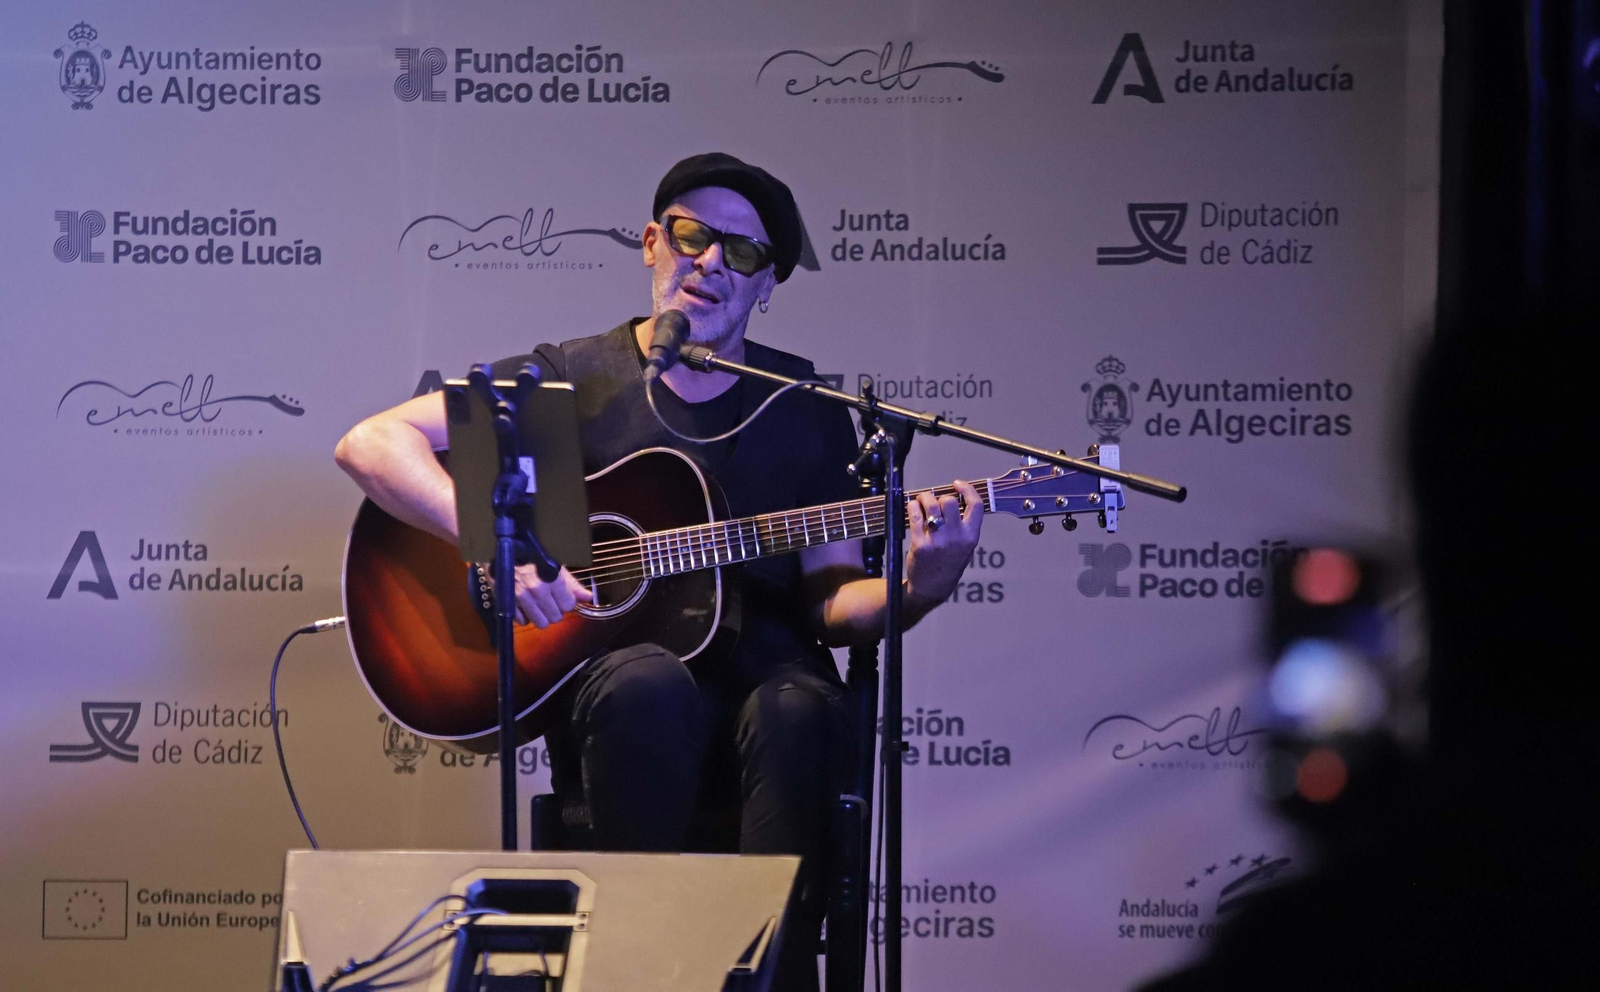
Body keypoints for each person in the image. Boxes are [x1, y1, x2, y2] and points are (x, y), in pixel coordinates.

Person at [334, 152, 984, 990]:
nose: (712, 262)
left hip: (769, 686)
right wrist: (500, 544)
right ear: (652, 241)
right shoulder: (575, 382)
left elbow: (832, 600)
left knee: (796, 707)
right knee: (647, 681)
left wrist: (916, 589)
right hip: (621, 699)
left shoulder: (804, 407)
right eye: (692, 236)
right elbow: (371, 444)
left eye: (742, 254)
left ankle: (775, 975)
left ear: (764, 286)